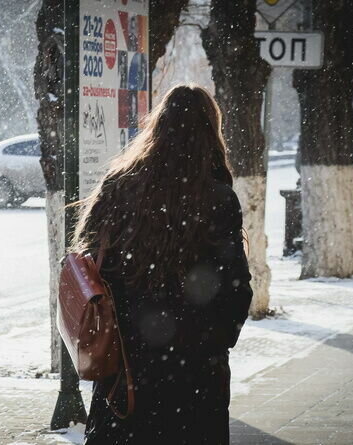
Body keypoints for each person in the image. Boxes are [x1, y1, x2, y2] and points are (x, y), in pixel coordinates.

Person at [73, 84, 253, 445]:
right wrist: (215, 341)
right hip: (193, 363)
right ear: (209, 132)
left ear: (158, 126)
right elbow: (236, 287)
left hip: (126, 358)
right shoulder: (217, 197)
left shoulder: (120, 184)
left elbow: (91, 261)